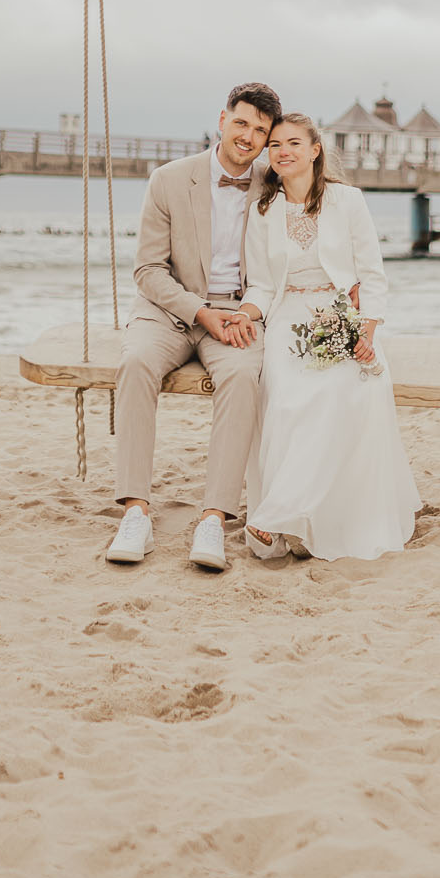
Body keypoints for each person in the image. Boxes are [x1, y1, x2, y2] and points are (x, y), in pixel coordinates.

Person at [105, 82, 282, 574]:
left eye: (260, 131)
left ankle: (213, 517)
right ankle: (136, 510)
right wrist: (200, 312)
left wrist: (244, 312)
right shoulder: (168, 179)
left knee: (245, 376)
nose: (248, 136)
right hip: (168, 309)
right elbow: (147, 270)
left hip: (238, 312)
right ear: (223, 120)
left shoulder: (274, 183)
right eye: (242, 123)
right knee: (135, 362)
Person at [237, 113, 418, 563]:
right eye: (275, 144)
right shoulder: (264, 210)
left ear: (315, 150)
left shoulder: (348, 201)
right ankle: (290, 515)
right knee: (288, 395)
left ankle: (297, 515)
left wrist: (367, 328)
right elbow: (260, 284)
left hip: (343, 312)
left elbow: (372, 273)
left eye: (293, 142)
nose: (283, 151)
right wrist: (243, 313)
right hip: (288, 317)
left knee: (351, 388)